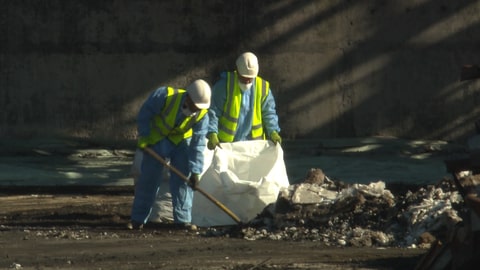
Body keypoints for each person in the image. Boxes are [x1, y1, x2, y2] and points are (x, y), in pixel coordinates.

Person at [128, 79, 211, 230]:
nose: (195, 110)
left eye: (198, 108)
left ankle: (183, 220)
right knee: (149, 180)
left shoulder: (203, 115)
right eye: (193, 106)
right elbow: (145, 114)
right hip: (157, 141)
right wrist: (144, 137)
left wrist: (196, 171)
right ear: (187, 97)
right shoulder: (164, 96)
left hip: (181, 142)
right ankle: (138, 219)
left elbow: (198, 144)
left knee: (182, 180)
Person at [206, 52, 281, 150]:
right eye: (244, 78)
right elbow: (213, 111)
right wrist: (212, 132)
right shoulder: (224, 86)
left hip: (253, 145)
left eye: (250, 79)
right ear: (237, 71)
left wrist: (273, 131)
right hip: (228, 145)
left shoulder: (262, 88)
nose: (247, 82)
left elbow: (269, 112)